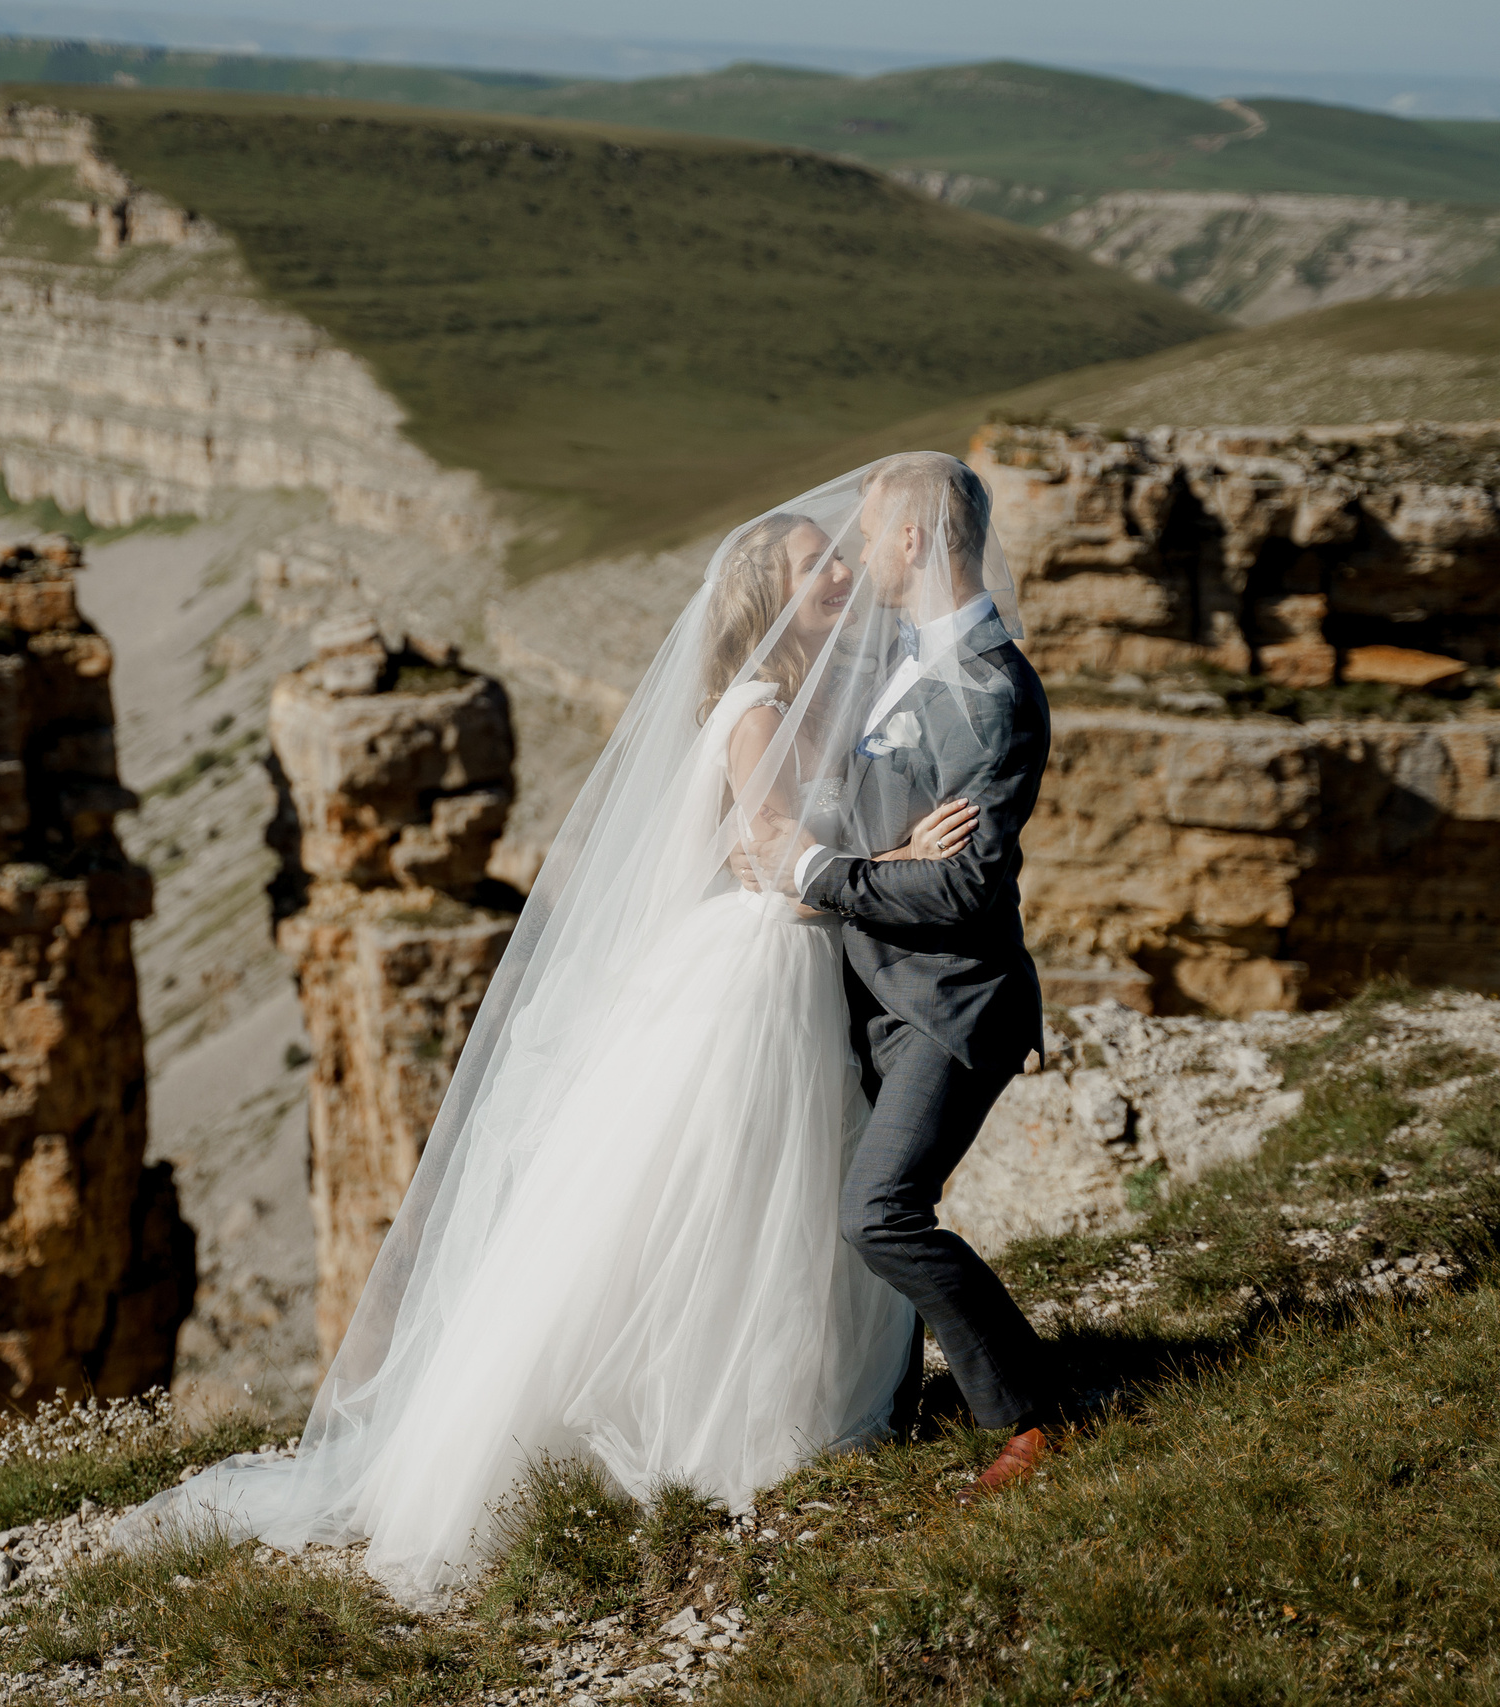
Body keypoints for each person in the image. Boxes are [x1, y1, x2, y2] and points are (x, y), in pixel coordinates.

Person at [114, 457, 1022, 1602]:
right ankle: (702, 1414)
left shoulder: (819, 694)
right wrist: (894, 859)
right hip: (756, 971)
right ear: (766, 597)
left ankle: (810, 1391)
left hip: (790, 972)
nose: (839, 568)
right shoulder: (753, 713)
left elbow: (791, 852)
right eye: (813, 563)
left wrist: (843, 860)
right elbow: (787, 877)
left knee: (778, 1194)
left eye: (841, 554)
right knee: (727, 1190)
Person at [737, 451, 1060, 1501]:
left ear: (912, 541)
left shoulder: (989, 689)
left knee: (880, 1212)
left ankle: (1036, 1418)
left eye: (870, 534)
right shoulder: (902, 661)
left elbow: (964, 892)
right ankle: (895, 1392)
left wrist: (819, 872)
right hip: (877, 995)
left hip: (949, 1003)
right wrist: (853, 854)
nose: (858, 552)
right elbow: (857, 810)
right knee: (853, 1209)